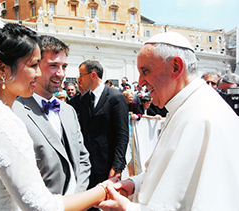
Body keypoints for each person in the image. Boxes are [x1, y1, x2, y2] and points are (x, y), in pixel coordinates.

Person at [0, 22, 115, 210]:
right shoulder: (1, 120)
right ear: (2, 69)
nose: (38, 73)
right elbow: (41, 206)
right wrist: (103, 190)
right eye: (34, 65)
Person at [98, 31, 239, 210]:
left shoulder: (201, 116)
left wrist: (127, 208)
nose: (140, 82)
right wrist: (135, 184)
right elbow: (169, 173)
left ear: (175, 67)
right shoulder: (185, 106)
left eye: (145, 71)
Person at [13, 35, 91, 195]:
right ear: (35, 66)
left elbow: (82, 157)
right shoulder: (15, 110)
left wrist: (77, 195)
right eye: (53, 66)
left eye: (64, 66)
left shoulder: (68, 111)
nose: (61, 73)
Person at [77, 60, 129, 205]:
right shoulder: (83, 99)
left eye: (81, 75)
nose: (79, 79)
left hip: (108, 165)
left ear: (93, 75)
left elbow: (122, 134)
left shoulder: (115, 98)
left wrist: (117, 165)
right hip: (87, 165)